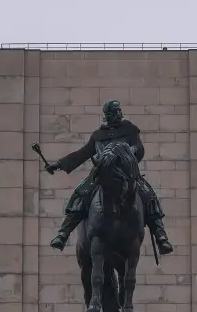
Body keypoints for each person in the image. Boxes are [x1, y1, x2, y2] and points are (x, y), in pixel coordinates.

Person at [45, 100, 174, 255]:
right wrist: (59, 164)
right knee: (80, 193)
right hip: (101, 174)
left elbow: (138, 147)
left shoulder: (129, 129)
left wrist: (128, 152)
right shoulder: (98, 135)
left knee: (148, 195)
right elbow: (82, 154)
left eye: (119, 110)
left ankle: (161, 236)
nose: (119, 113)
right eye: (116, 111)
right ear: (108, 115)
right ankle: (63, 233)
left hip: (127, 173)